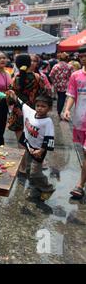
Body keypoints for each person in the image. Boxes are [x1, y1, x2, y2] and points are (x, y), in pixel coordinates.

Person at [9, 88, 55, 199]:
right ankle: (36, 188)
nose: (40, 108)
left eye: (43, 106)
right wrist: (13, 95)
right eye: (38, 105)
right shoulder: (30, 112)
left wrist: (41, 150)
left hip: (39, 150)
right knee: (29, 170)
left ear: (49, 108)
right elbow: (21, 103)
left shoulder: (47, 122)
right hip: (29, 147)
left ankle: (47, 188)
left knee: (35, 172)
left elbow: (49, 138)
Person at [8, 54, 49, 144]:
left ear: (17, 65)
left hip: (18, 113)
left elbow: (10, 100)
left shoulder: (14, 80)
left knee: (21, 144)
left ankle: (24, 157)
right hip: (34, 112)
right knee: (33, 142)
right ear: (29, 63)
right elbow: (44, 93)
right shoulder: (38, 78)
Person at [64, 45, 86, 199]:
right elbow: (72, 94)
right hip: (80, 120)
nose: (84, 58)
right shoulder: (76, 75)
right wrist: (66, 109)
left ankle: (79, 185)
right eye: (82, 56)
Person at [49, 52, 74, 117]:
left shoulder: (56, 66)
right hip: (66, 85)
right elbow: (72, 76)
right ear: (67, 58)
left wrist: (54, 82)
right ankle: (60, 111)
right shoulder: (70, 66)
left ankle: (59, 111)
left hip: (57, 84)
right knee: (62, 98)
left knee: (59, 97)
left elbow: (51, 75)